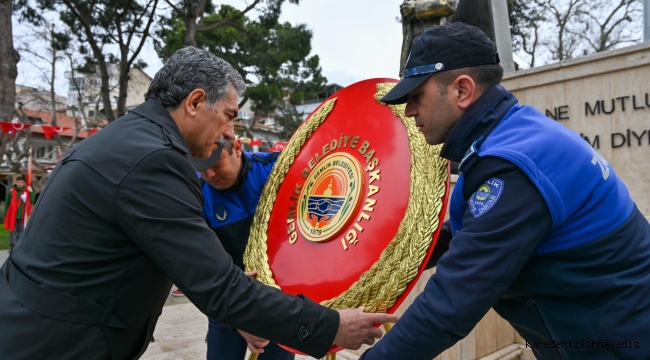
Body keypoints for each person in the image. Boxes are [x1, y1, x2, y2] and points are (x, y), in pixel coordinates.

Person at [0, 46, 396, 359]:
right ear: (194, 102)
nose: (228, 132)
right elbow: (217, 285)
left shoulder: (129, 138)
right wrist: (330, 327)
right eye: (227, 116)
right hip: (56, 342)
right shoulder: (156, 160)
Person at [361, 22, 650, 359]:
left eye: (416, 96)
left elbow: (453, 300)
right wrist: (383, 262)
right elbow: (466, 232)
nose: (409, 111)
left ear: (462, 91)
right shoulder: (510, 135)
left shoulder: (512, 168)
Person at [195, 138, 293, 360]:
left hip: (279, 302)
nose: (209, 175)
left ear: (237, 149)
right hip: (228, 301)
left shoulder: (276, 169)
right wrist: (236, 318)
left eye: (216, 164)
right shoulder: (196, 196)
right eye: (201, 169)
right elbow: (201, 267)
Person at [3, 175, 35, 248]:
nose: (20, 183)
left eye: (21, 182)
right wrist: (5, 215)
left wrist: (31, 192)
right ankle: (13, 246)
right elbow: (7, 203)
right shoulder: (11, 192)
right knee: (12, 231)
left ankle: (18, 246)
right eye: (18, 182)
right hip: (13, 215)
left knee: (21, 231)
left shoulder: (26, 192)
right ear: (16, 183)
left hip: (22, 215)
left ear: (24, 183)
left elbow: (32, 201)